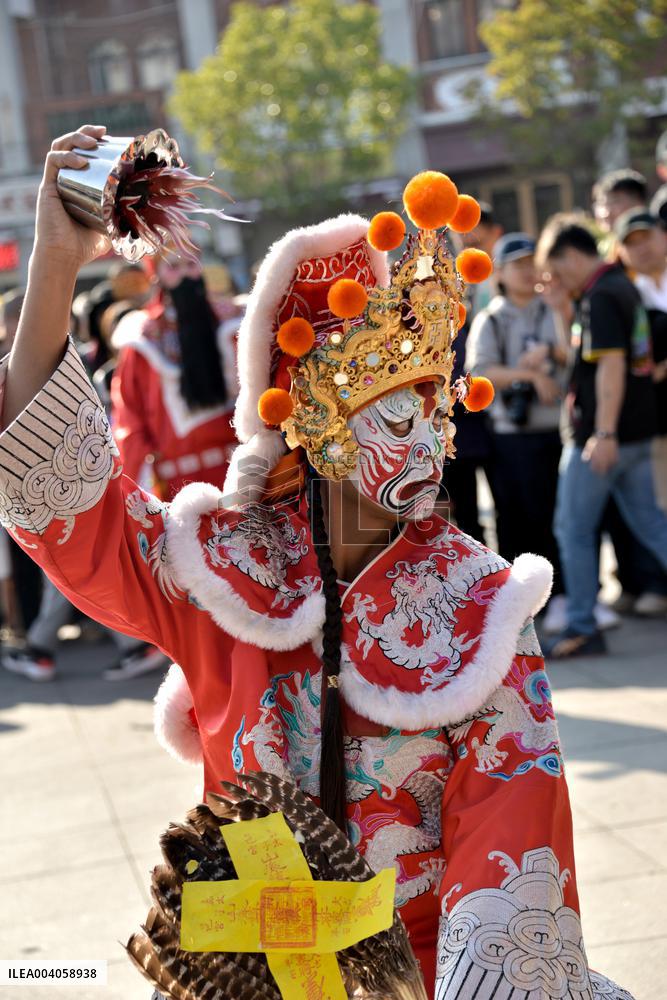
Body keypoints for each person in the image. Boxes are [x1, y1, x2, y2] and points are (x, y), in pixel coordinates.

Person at [0, 125, 634, 1000]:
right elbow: (68, 504)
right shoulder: (224, 571)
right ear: (314, 420)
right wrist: (56, 267)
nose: (424, 438)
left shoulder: (482, 610)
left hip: (414, 979)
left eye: (431, 405)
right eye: (390, 406)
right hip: (245, 973)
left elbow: (506, 862)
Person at [536, 214, 667, 657]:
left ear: (573, 255)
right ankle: (582, 623)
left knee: (573, 529)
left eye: (557, 269)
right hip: (630, 436)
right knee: (651, 523)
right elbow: (587, 361)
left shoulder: (604, 295)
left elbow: (610, 367)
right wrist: (561, 308)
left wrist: (604, 431)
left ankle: (582, 626)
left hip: (603, 438)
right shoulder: (616, 288)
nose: (556, 279)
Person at [466, 233, 569, 629]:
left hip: (555, 430)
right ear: (501, 273)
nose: (527, 271)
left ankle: (562, 596)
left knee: (556, 518)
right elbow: (480, 373)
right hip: (510, 435)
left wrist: (552, 352)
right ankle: (522, 605)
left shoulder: (554, 308)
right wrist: (527, 374)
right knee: (516, 520)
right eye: (518, 264)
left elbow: (575, 352)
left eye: (531, 263)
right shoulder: (492, 318)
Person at [110, 253, 238, 499]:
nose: (184, 274)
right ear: (155, 274)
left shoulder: (233, 322)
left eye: (191, 264)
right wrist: (130, 493)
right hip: (178, 487)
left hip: (244, 476)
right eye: (173, 266)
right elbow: (130, 422)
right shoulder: (141, 341)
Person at [438, 201, 501, 541]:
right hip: (452, 423)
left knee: (506, 506)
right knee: (466, 520)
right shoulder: (448, 284)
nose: (468, 238)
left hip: (491, 417)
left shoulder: (498, 282)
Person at [616, 209, 667, 516]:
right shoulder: (625, 294)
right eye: (631, 242)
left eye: (646, 237)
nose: (641, 248)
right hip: (656, 422)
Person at [592, 168, 647, 232]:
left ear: (638, 204)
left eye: (614, 202)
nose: (606, 214)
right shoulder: (596, 241)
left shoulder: (657, 237)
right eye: (601, 203)